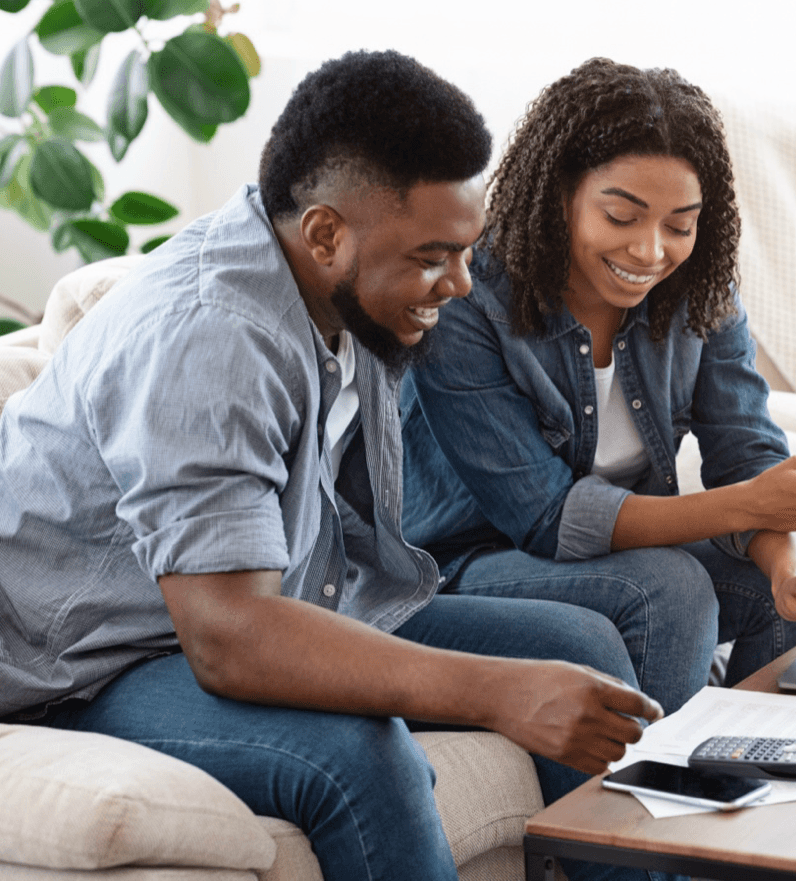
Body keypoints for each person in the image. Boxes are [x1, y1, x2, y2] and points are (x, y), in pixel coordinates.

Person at [0, 50, 662, 880]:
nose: (459, 283)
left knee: (582, 643)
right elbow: (230, 636)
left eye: (465, 251)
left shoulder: (342, 292)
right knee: (361, 751)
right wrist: (497, 690)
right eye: (432, 256)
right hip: (95, 661)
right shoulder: (212, 337)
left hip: (272, 594)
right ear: (324, 233)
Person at [400, 57, 796, 717]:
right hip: (465, 563)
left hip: (606, 558)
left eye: (679, 225)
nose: (651, 251)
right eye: (622, 216)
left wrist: (792, 560)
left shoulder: (699, 294)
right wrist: (750, 504)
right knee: (670, 589)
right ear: (559, 192)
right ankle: (660, 802)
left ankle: (761, 772)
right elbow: (543, 517)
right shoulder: (470, 298)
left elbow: (745, 450)